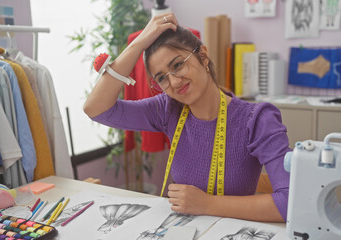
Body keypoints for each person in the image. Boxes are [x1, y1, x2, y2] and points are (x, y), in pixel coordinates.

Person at [84, 13, 291, 222]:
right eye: (162, 78)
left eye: (177, 65)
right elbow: (96, 109)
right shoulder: (167, 109)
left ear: (203, 56)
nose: (173, 82)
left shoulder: (257, 120)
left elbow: (289, 202)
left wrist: (207, 204)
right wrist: (139, 43)